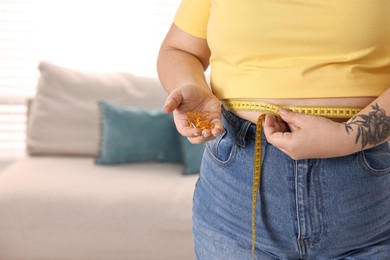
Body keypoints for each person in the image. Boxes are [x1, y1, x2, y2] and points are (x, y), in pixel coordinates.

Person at [157, 1, 390, 259]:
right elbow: (179, 49)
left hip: (368, 200)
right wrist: (191, 86)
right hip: (234, 195)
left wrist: (349, 137)